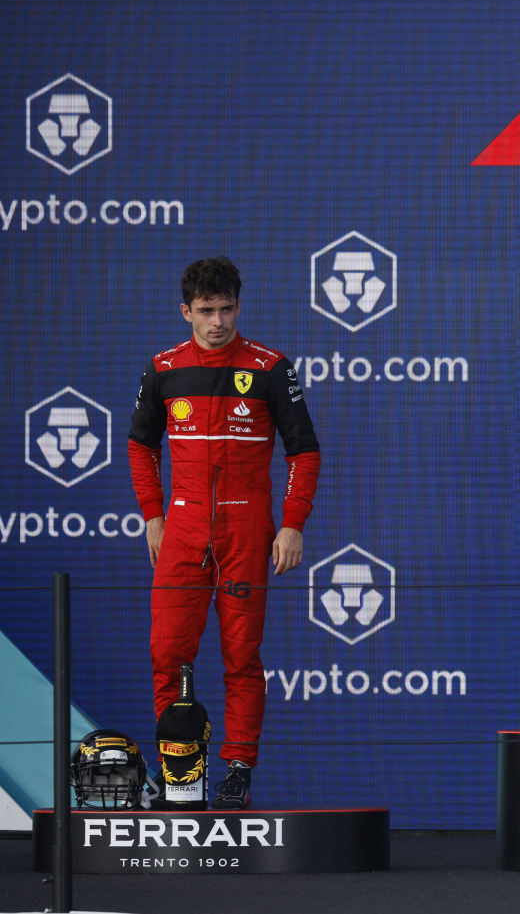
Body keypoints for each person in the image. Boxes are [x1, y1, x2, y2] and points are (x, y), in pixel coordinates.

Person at [128, 257, 320, 808]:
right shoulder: (164, 368)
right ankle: (178, 776)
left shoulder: (269, 366)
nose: (218, 322)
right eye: (206, 311)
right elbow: (142, 446)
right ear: (185, 311)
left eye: (227, 309)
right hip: (183, 528)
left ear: (239, 305)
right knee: (168, 653)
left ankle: (237, 772)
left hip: (246, 528)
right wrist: (153, 515)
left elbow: (303, 451)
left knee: (242, 657)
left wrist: (291, 525)